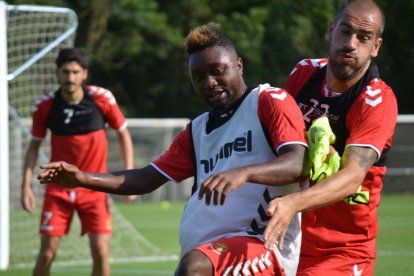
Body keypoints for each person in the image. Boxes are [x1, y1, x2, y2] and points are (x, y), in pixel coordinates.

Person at [37, 23, 308, 276]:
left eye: (217, 70)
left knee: (192, 268)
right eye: (198, 76)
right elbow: (146, 178)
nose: (209, 82)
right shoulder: (197, 130)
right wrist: (82, 178)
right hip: (208, 253)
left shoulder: (269, 101)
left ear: (238, 66)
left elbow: (297, 162)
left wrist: (244, 173)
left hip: (260, 246)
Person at [264, 0, 398, 275]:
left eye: (364, 38)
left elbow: (352, 178)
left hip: (340, 249)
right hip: (287, 237)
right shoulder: (303, 73)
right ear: (330, 31)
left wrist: (292, 203)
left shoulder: (376, 101)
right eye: (345, 31)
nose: (351, 43)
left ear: (375, 47)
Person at [21, 48, 135, 276]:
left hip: (94, 187)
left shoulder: (102, 99)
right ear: (57, 74)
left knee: (101, 251)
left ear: (84, 74)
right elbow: (33, 147)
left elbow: (124, 134)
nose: (70, 77)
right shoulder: (45, 106)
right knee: (47, 253)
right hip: (58, 189)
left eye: (75, 72)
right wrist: (25, 186)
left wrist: (129, 176)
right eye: (65, 72)